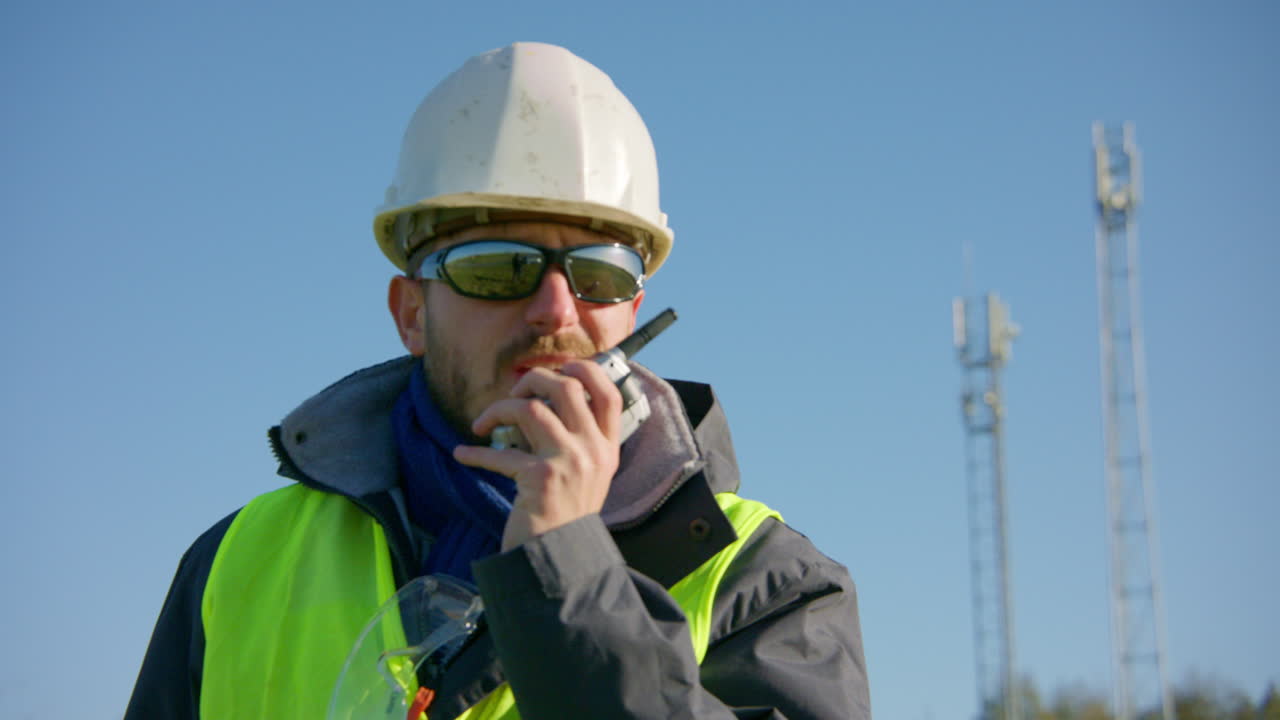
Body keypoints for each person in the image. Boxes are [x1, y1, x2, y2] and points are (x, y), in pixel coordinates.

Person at [126, 42, 870, 720]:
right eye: (495, 266)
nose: (554, 310)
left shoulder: (767, 581)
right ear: (411, 312)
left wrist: (567, 574)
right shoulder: (238, 562)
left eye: (599, 274)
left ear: (631, 314)